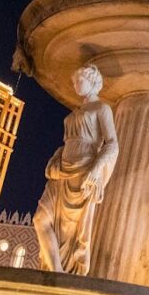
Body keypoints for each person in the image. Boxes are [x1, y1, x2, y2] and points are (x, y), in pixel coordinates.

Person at [34, 64, 118, 276]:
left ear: (92, 81)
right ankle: (56, 271)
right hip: (62, 171)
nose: (75, 85)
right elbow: (67, 143)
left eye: (79, 80)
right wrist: (55, 159)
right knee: (40, 219)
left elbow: (112, 144)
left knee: (70, 232)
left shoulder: (102, 109)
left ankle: (60, 274)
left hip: (83, 173)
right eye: (74, 81)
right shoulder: (76, 112)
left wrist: (96, 170)